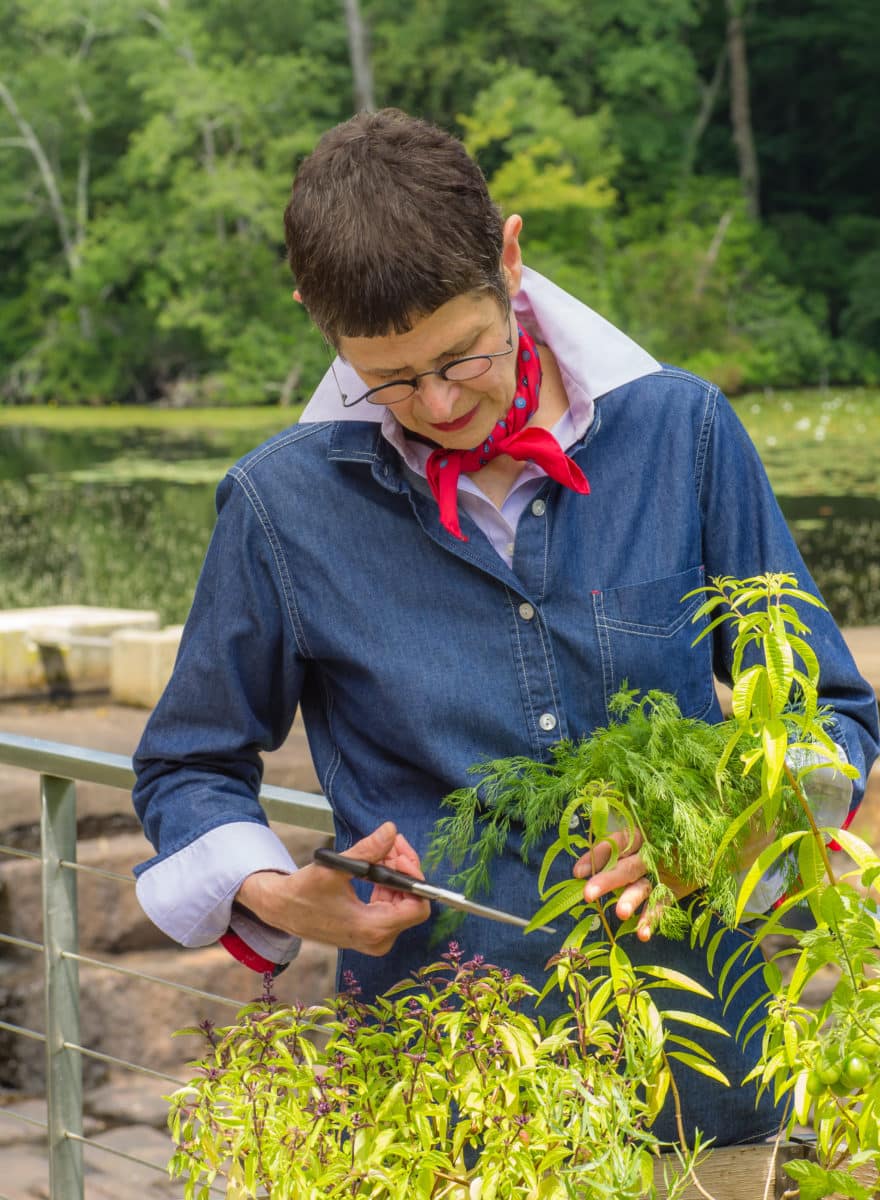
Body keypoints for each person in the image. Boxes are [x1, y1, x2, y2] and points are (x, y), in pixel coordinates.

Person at [132, 108, 879, 1146]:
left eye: (464, 357)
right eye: (388, 378)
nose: (437, 403)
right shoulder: (277, 509)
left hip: (700, 1072)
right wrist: (280, 892)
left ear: (511, 259)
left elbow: (828, 715)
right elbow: (187, 766)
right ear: (312, 312)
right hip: (436, 1086)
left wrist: (711, 827)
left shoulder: (684, 434)